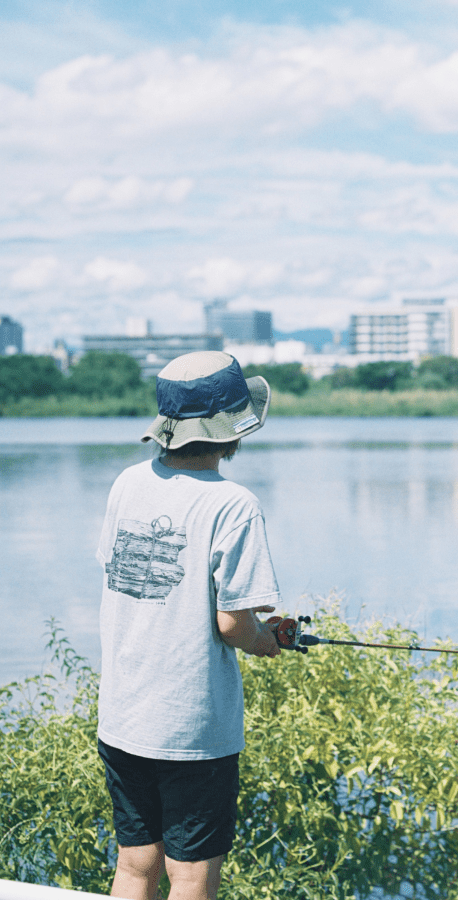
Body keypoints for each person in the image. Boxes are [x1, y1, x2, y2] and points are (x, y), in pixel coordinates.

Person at [96, 350, 290, 900]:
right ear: (233, 429)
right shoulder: (233, 504)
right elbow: (233, 626)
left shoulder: (127, 484)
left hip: (124, 716)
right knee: (191, 877)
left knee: (134, 867)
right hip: (191, 730)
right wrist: (265, 641)